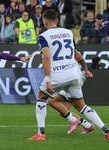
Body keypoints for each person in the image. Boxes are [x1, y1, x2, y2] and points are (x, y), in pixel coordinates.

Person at [28, 9, 109, 140]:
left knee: (41, 97)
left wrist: (48, 79)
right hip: (74, 74)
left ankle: (40, 134)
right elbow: (76, 54)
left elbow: (46, 58)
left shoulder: (44, 36)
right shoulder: (68, 32)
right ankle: (106, 131)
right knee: (81, 106)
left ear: (44, 22)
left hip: (57, 75)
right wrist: (86, 70)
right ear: (58, 20)